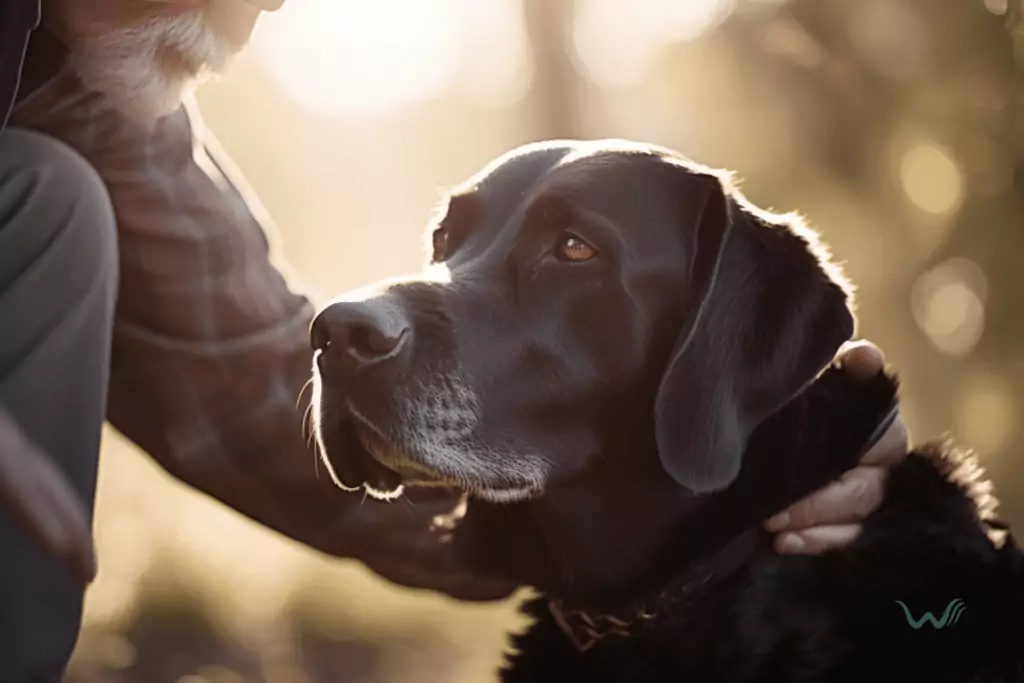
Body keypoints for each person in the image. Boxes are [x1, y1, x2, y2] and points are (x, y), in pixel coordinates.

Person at [0, 1, 911, 681]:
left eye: (570, 249)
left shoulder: (72, 83)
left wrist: (775, 474)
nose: (275, 4)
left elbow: (237, 378)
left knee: (53, 199)